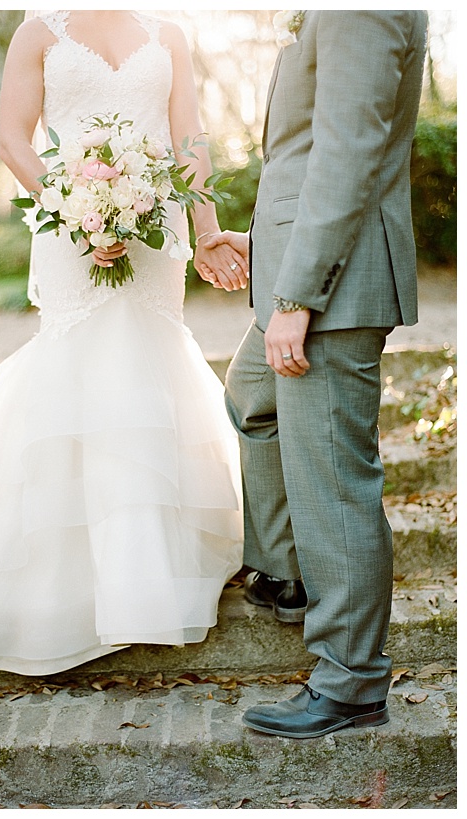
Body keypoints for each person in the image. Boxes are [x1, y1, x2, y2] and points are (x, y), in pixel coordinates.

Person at [0, 10, 247, 676]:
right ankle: (69, 581)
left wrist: (207, 229)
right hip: (69, 224)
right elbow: (13, 139)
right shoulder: (39, 29)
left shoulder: (169, 31)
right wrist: (74, 210)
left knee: (147, 361)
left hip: (157, 228)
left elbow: (189, 137)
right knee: (84, 360)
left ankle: (148, 573)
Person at [203, 10, 427, 738]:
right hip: (300, 264)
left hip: (334, 284)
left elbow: (349, 150)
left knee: (333, 480)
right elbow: (303, 156)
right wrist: (265, 240)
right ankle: (289, 573)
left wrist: (298, 294)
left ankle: (352, 679)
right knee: (251, 400)